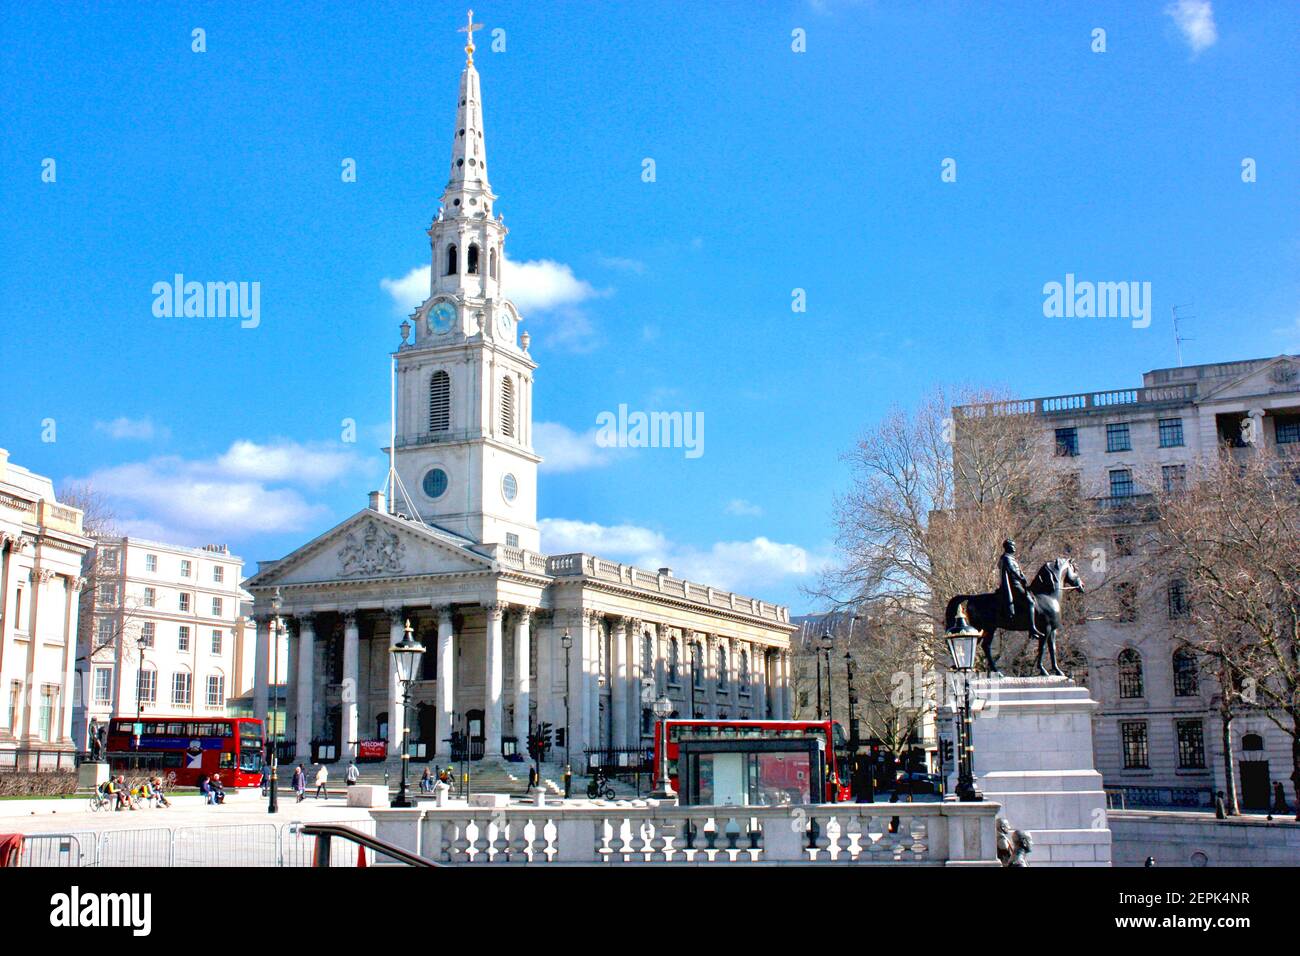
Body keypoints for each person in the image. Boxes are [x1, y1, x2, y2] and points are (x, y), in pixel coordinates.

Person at [997, 539, 1041, 639]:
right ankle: (1032, 628)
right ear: (1008, 547)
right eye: (1013, 546)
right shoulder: (1006, 558)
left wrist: (1022, 576)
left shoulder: (1011, 558)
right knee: (1030, 602)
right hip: (1014, 585)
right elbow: (1012, 571)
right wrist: (1021, 577)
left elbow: (1017, 570)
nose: (1014, 548)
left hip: (1018, 584)